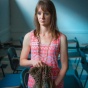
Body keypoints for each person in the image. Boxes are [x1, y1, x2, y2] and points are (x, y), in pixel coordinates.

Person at [20, 0, 68, 88]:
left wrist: (54, 84)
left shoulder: (61, 38)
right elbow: (22, 61)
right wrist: (32, 62)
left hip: (54, 81)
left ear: (52, 15)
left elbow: (65, 66)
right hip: (35, 82)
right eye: (39, 13)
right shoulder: (29, 36)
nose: (42, 17)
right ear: (36, 15)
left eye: (46, 13)